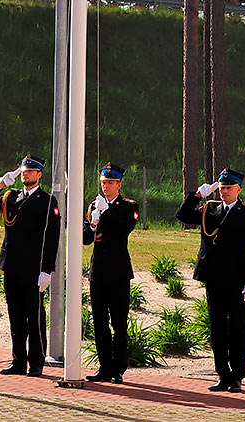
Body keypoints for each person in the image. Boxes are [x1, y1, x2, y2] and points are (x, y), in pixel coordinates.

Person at [176, 167, 245, 393]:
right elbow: (183, 215)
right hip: (213, 276)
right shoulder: (209, 208)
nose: (224, 191)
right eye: (222, 187)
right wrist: (197, 195)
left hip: (236, 279)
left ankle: (237, 375)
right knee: (216, 328)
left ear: (238, 189)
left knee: (236, 328)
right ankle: (222, 374)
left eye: (228, 188)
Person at [0, 154, 61, 377]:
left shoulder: (47, 200)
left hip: (33, 268)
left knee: (34, 317)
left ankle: (36, 362)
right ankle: (18, 361)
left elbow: (52, 238)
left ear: (39, 174)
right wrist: (0, 184)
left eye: (30, 171)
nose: (25, 174)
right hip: (12, 265)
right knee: (15, 316)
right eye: (23, 171)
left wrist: (47, 270)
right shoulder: (10, 197)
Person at [83, 162, 139, 384]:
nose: (105, 187)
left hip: (118, 272)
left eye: (110, 183)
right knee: (99, 322)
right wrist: (93, 223)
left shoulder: (128, 206)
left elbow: (124, 229)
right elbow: (86, 239)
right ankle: (104, 366)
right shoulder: (93, 206)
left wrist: (105, 214)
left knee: (118, 322)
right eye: (103, 183)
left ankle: (118, 367)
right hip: (98, 272)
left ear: (119, 184)